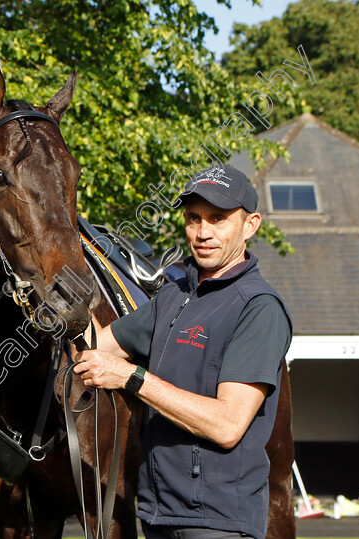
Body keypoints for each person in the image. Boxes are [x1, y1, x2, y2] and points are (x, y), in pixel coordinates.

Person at [74, 163, 291, 539]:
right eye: (194, 218)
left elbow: (227, 425)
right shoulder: (174, 296)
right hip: (158, 516)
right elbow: (94, 346)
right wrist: (59, 283)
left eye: (218, 219)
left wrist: (132, 378)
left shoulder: (259, 307)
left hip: (219, 523)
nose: (203, 233)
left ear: (250, 225)